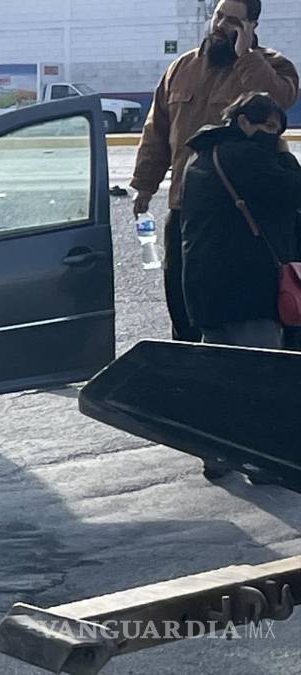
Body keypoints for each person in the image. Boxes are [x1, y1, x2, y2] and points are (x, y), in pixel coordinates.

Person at [132, 0, 298, 343]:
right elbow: (157, 131)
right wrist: (144, 185)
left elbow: (277, 101)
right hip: (183, 211)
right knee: (183, 308)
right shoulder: (182, 67)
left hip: (239, 220)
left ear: (251, 25)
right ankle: (187, 380)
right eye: (218, 16)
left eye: (233, 21)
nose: (220, 25)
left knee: (235, 319)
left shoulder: (271, 66)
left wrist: (246, 56)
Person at [179, 92, 301, 480]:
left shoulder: (200, 158)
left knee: (218, 374)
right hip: (248, 287)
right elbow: (294, 190)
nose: (271, 135)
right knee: (259, 377)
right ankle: (261, 461)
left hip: (203, 287)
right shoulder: (248, 157)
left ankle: (215, 454)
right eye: (268, 127)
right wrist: (283, 151)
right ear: (245, 122)